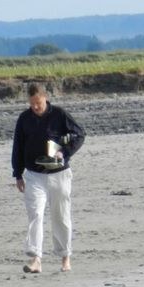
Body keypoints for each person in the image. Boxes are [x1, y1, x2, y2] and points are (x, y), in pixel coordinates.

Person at [12, 83, 85, 273]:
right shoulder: (24, 118)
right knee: (35, 213)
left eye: (38, 102)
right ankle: (36, 258)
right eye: (32, 103)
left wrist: (64, 153)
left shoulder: (59, 114)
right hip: (34, 175)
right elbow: (18, 146)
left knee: (61, 215)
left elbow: (79, 134)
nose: (35, 107)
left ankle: (65, 257)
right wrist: (17, 173)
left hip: (59, 174)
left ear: (45, 97)